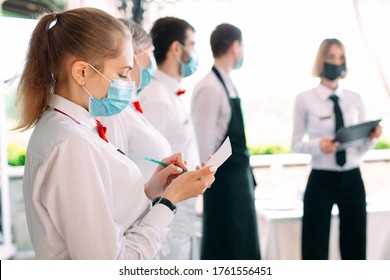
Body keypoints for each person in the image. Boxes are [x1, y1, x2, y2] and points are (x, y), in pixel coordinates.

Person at [15, 7, 216, 260]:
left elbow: (107, 209)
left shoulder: (75, 127)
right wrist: (170, 200)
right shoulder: (71, 143)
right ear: (82, 72)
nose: (128, 83)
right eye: (121, 74)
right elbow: (110, 264)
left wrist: (151, 190)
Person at [291, 38, 382, 260]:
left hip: (352, 179)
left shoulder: (355, 98)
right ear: (321, 61)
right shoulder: (304, 99)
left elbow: (359, 149)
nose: (336, 62)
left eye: (340, 57)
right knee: (315, 249)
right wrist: (318, 146)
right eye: (331, 57)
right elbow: (295, 144)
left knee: (355, 248)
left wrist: (371, 138)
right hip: (321, 180)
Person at [191, 23, 261, 260]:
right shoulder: (209, 88)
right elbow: (204, 147)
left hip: (239, 184)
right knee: (226, 250)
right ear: (234, 47)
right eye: (242, 46)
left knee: (243, 248)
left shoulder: (228, 84)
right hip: (223, 189)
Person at [138, 17, 201, 260]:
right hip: (169, 207)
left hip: (182, 205)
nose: (194, 53)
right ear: (177, 48)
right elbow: (148, 161)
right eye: (192, 45)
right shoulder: (156, 98)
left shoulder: (171, 93)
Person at [98, 18, 171, 183]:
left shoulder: (130, 104)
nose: (153, 62)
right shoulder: (114, 110)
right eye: (150, 53)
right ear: (134, 55)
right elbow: (116, 177)